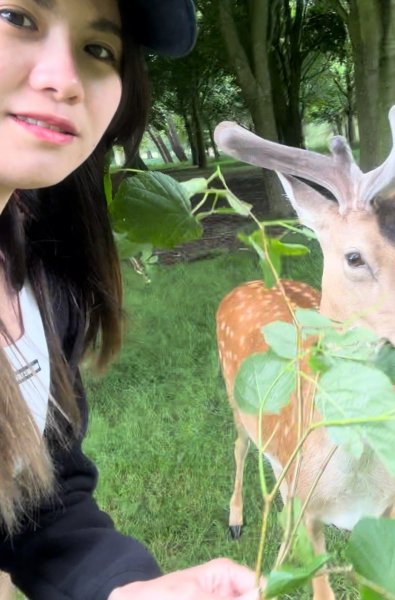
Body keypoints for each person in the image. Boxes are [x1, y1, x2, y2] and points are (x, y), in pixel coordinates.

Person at [0, 0, 258, 598]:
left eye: (98, 49)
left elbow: (42, 500)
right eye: (17, 17)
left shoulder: (43, 281)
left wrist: (124, 589)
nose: (64, 80)